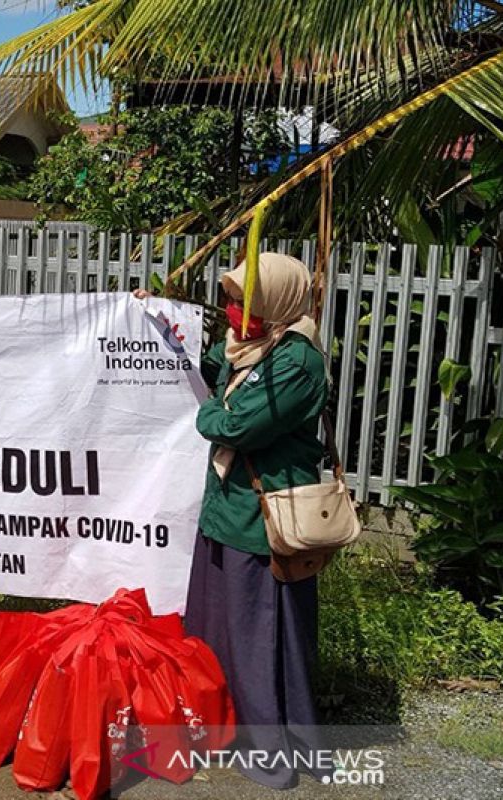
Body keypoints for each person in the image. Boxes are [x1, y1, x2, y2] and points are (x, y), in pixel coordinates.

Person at [176, 253, 332, 789]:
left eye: (246, 301)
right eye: (234, 300)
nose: (234, 310)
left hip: (265, 524)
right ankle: (217, 728)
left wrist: (206, 415)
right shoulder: (253, 350)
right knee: (217, 633)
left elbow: (239, 425)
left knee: (261, 636)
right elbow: (215, 367)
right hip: (229, 510)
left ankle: (269, 746)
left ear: (277, 304)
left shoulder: (296, 361)